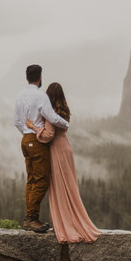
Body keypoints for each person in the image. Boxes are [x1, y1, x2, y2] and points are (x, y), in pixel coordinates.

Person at [25, 82, 101, 244]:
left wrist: (34, 128)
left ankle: (65, 224)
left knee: (60, 187)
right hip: (66, 147)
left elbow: (48, 135)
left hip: (56, 151)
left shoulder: (50, 112)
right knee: (69, 186)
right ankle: (73, 220)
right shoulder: (64, 111)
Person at [14, 64, 70, 233]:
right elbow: (51, 117)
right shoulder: (40, 96)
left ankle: (29, 218)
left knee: (31, 179)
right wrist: (66, 123)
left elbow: (17, 121)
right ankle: (31, 219)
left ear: (26, 77)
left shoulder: (20, 95)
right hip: (37, 142)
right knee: (41, 179)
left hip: (25, 139)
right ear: (40, 78)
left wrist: (26, 132)